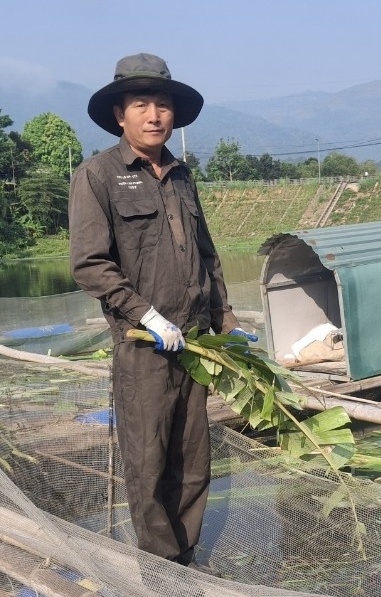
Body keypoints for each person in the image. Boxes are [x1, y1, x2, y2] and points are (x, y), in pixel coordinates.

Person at [69, 53, 253, 570]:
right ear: (119, 115)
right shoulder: (98, 175)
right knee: (148, 464)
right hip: (146, 347)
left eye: (163, 105)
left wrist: (227, 323)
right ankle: (159, 571)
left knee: (194, 461)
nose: (155, 115)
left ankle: (185, 559)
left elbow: (207, 254)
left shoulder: (179, 175)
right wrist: (146, 315)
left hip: (196, 346)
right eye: (142, 104)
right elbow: (89, 265)